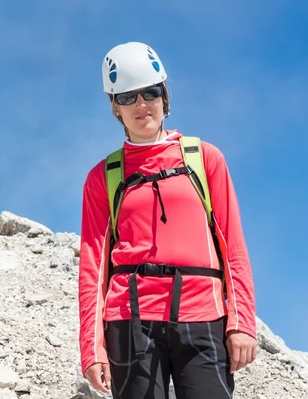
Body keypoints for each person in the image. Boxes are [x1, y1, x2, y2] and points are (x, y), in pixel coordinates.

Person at [78, 42, 257, 399]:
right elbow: (93, 268)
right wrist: (92, 348)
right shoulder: (104, 176)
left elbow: (231, 244)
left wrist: (242, 324)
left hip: (203, 314)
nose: (142, 104)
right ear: (115, 106)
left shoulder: (204, 158)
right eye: (128, 97)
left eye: (151, 92)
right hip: (128, 321)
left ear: (164, 96)